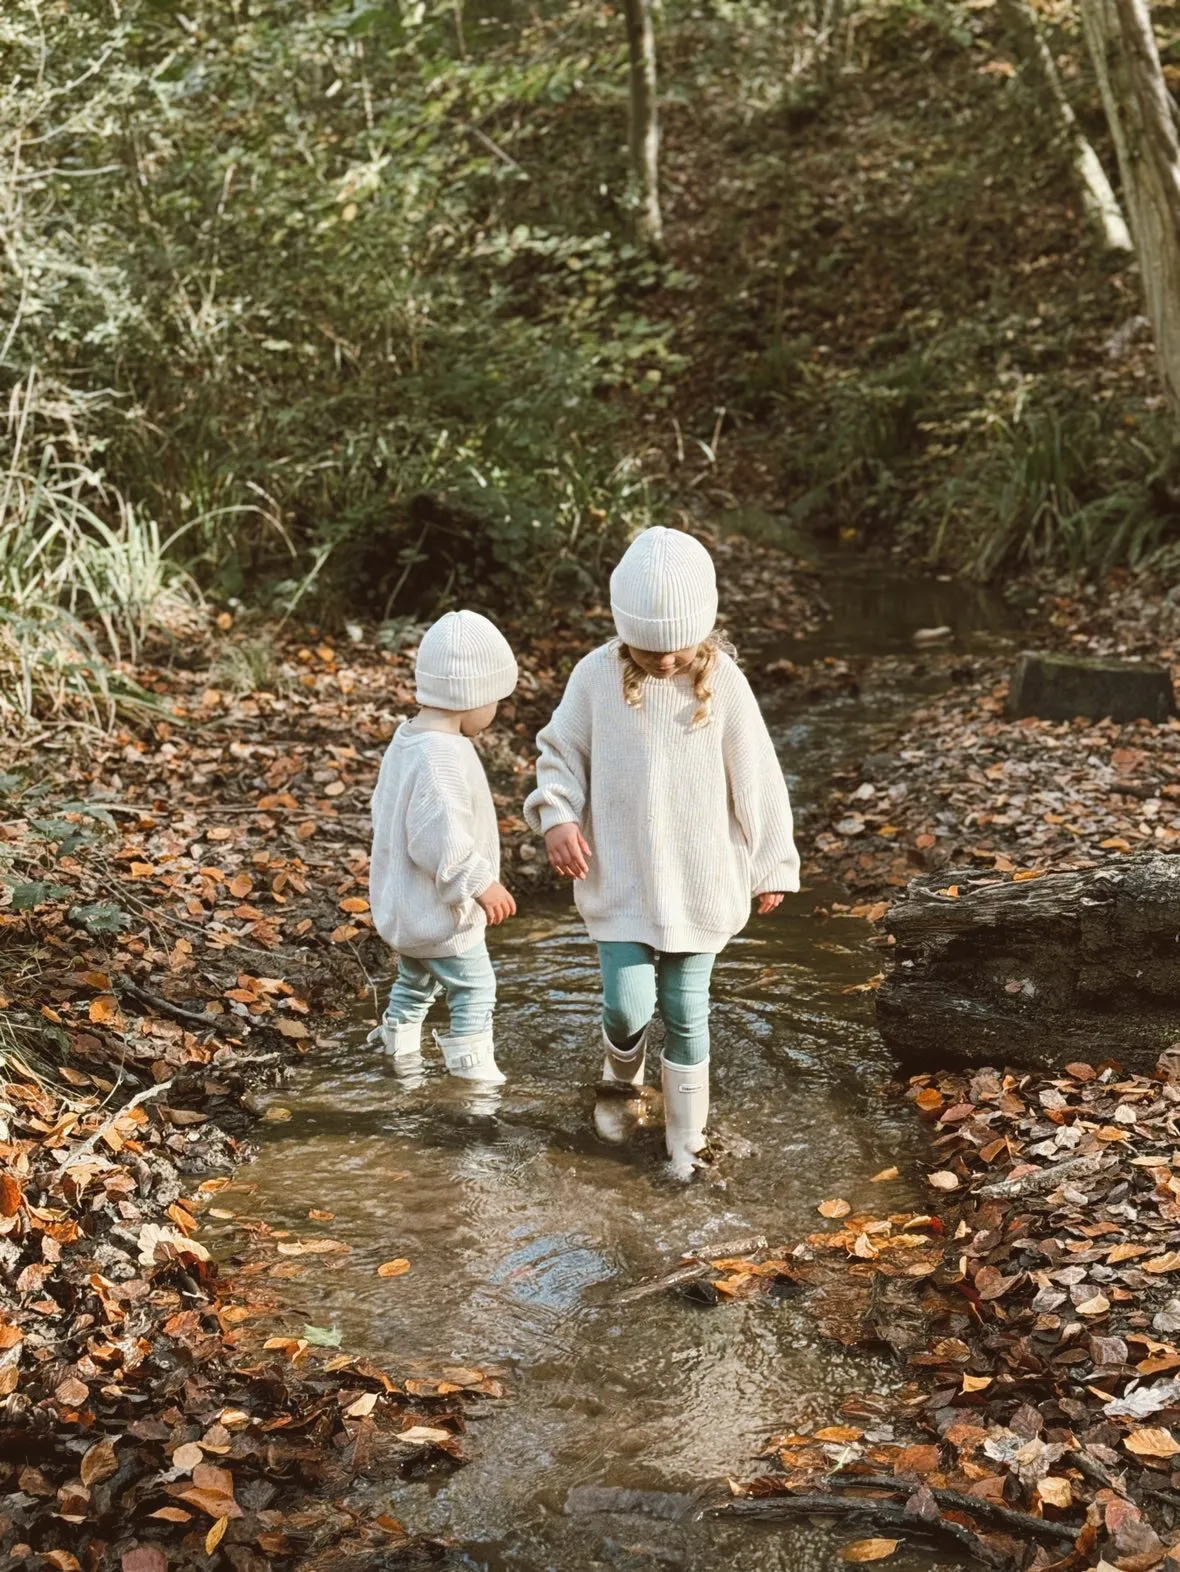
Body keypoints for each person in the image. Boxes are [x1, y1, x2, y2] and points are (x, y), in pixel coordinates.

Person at [523, 527, 798, 1177]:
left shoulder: (723, 680)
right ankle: (622, 1078)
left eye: (676, 651)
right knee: (627, 1004)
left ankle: (685, 1142)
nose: (665, 664)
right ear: (624, 634)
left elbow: (756, 773)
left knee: (686, 1008)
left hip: (701, 879)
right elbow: (559, 754)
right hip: (621, 875)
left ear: (701, 632)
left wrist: (771, 860)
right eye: (648, 651)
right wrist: (557, 817)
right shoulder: (595, 675)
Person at [369, 609, 518, 1084]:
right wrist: (480, 883)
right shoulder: (442, 755)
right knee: (475, 986)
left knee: (415, 981)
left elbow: (388, 811)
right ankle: (472, 1077)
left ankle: (400, 1051)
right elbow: (439, 836)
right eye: (494, 700)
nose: (494, 712)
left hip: (407, 906)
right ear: (471, 695)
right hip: (439, 912)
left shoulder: (409, 738)